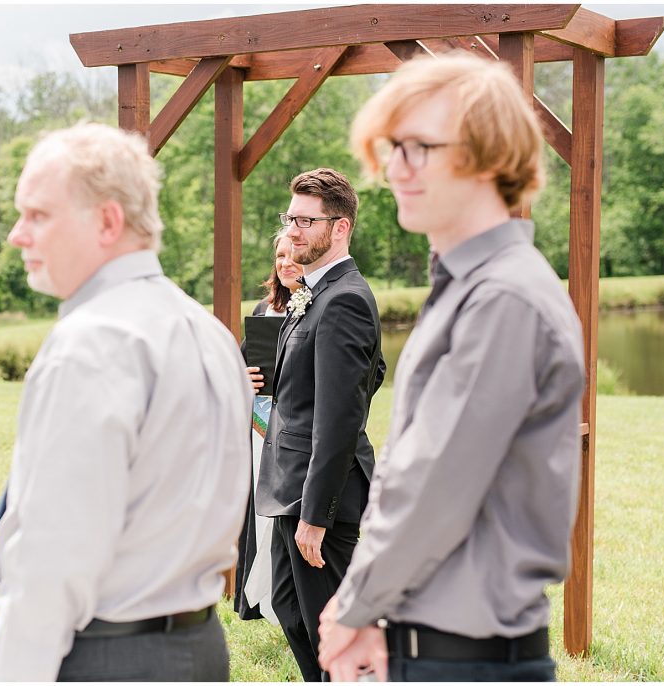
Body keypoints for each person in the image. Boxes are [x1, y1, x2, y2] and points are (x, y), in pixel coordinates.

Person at [317, 52, 586, 682]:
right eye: (392, 148)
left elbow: (432, 482)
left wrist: (354, 609)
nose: (394, 169)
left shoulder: (503, 299)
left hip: (468, 660)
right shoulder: (468, 287)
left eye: (419, 148)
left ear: (490, 156)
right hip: (429, 647)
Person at [0, 122, 253, 681]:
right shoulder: (207, 331)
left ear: (107, 221)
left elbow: (53, 554)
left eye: (37, 215)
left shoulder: (93, 342)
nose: (16, 235)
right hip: (200, 651)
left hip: (107, 658)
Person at [255, 167, 386, 681]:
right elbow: (369, 373)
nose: (292, 232)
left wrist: (317, 514)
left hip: (320, 499)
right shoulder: (312, 293)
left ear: (340, 229)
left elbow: (339, 418)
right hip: (290, 487)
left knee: (336, 640)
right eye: (291, 219)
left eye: (306, 221)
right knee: (292, 613)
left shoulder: (345, 299)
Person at [234, 231, 304, 624]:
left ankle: (292, 599)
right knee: (261, 514)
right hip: (262, 428)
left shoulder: (320, 306)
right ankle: (262, 597)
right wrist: (247, 380)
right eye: (279, 255)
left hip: (296, 431)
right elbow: (246, 365)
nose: (285, 262)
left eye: (293, 254)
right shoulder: (265, 311)